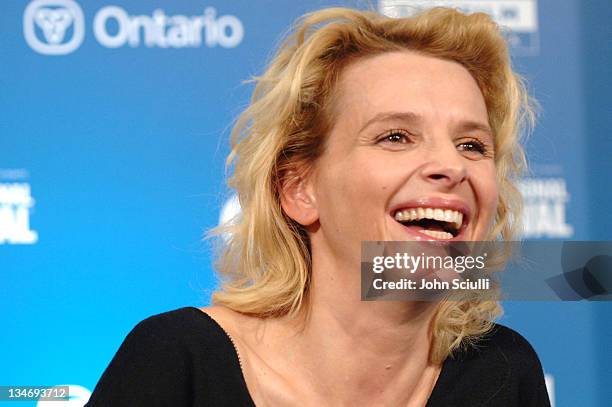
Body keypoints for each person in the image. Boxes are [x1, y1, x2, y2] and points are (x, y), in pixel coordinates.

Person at [86, 6, 550, 406]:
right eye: (395, 137)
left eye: (471, 145)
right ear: (299, 190)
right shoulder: (175, 362)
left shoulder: (504, 373)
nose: (451, 166)